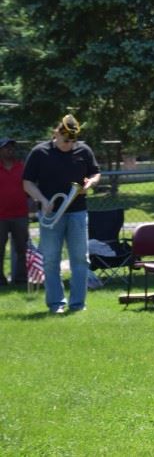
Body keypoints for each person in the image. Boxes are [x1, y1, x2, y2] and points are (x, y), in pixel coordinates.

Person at [21, 116, 101, 313]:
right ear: (56, 133)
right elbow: (27, 182)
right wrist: (42, 200)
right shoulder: (40, 152)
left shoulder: (84, 150)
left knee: (80, 259)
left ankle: (78, 304)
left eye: (73, 141)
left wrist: (91, 183)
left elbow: (95, 173)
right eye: (66, 140)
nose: (70, 144)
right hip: (50, 214)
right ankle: (56, 303)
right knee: (50, 259)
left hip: (78, 213)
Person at [0, 138, 30, 286]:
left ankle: (21, 279)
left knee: (22, 249)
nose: (9, 149)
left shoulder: (22, 168)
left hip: (20, 215)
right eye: (6, 147)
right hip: (1, 217)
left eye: (11, 147)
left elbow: (30, 189)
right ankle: (1, 280)